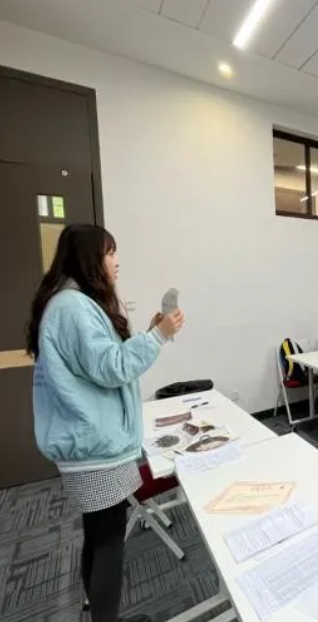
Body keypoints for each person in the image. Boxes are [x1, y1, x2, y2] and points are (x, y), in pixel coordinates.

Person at [28, 224, 184, 622]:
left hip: (91, 446)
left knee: (98, 537)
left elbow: (100, 364)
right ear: (89, 259)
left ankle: (99, 613)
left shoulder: (69, 304)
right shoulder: (73, 307)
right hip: (96, 450)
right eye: (110, 253)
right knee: (109, 543)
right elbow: (112, 367)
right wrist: (158, 337)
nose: (116, 262)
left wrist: (151, 332)